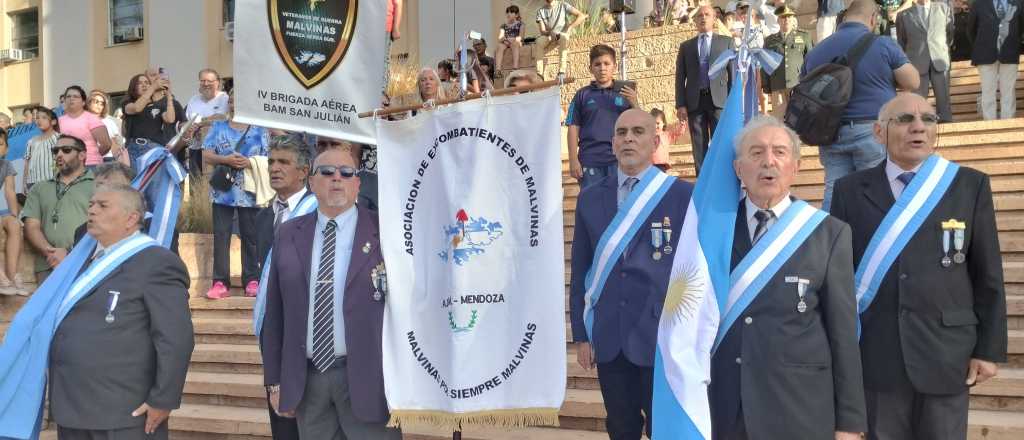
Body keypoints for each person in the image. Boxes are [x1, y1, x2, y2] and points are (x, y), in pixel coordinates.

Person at [830, 93, 1007, 439]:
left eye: (928, 119)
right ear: (879, 132)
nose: (919, 128)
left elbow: (988, 273)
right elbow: (838, 275)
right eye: (905, 120)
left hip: (947, 354)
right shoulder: (849, 190)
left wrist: (988, 349)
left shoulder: (969, 185)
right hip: (878, 356)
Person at [709, 115, 865, 440]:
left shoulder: (829, 233)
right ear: (739, 170)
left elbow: (843, 335)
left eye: (779, 152)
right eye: (756, 153)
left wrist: (850, 422)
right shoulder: (713, 231)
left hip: (798, 407)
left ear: (795, 167)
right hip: (724, 405)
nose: (769, 161)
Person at [570, 109, 693, 440]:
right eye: (621, 132)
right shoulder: (591, 197)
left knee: (664, 429)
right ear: (612, 143)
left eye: (637, 131)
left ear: (655, 141)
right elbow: (581, 265)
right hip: (610, 337)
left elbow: (693, 270)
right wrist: (582, 334)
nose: (628, 138)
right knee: (621, 428)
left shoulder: (682, 196)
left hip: (661, 335)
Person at [262, 145, 400, 439]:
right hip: (309, 381)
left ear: (357, 183)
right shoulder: (288, 234)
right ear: (311, 182)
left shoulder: (386, 231)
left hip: (369, 379)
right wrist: (274, 382)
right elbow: (274, 314)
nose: (337, 178)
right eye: (327, 172)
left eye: (346, 172)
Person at [49, 183, 193, 440]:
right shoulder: (81, 262)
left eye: (103, 206)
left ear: (131, 218)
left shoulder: (157, 263)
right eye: (92, 204)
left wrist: (163, 399)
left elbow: (175, 338)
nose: (92, 210)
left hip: (124, 412)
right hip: (72, 407)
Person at [801, 0, 919, 211]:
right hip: (872, 130)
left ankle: (832, 240)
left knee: (834, 192)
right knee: (876, 192)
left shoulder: (816, 51)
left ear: (844, 18)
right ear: (873, 18)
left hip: (829, 133)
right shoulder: (883, 44)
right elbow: (913, 82)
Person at [255, 136, 311, 440]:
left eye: (283, 162)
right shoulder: (264, 217)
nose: (274, 168)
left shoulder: (319, 212)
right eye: (271, 162)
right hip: (274, 330)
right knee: (282, 422)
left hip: (310, 330)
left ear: (303, 171)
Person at [202, 91, 270, 299]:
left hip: (249, 192)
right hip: (223, 191)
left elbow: (268, 157)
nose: (233, 103)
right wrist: (226, 160)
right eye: (231, 100)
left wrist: (249, 163)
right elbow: (205, 153)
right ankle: (220, 282)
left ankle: (252, 278)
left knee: (251, 237)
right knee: (221, 236)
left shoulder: (260, 129)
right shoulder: (218, 127)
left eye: (237, 99)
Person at [21, 134, 94, 284]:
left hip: (88, 263)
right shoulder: (39, 188)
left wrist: (69, 253)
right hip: (48, 264)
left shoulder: (99, 185)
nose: (59, 154)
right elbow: (31, 226)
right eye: (55, 151)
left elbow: (104, 226)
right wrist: (52, 253)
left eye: (66, 150)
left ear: (82, 155)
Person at [566, 44, 639, 190]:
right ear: (590, 68)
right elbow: (573, 127)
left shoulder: (626, 94)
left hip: (621, 161)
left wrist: (635, 103)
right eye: (597, 64)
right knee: (593, 209)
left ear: (615, 66)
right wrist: (573, 160)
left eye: (607, 63)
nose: (602, 68)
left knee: (621, 208)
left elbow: (641, 126)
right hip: (590, 160)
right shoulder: (582, 95)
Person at [676, 5, 734, 174]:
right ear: (694, 20)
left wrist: (733, 101)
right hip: (695, 102)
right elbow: (680, 77)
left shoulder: (726, 42)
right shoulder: (686, 47)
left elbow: (733, 74)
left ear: (714, 19)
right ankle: (702, 183)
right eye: (699, 15)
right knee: (699, 145)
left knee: (721, 143)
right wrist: (680, 104)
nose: (702, 18)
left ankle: (722, 177)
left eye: (707, 15)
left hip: (719, 101)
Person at [897, 0, 954, 122]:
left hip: (939, 61)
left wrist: (940, 49)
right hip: (916, 64)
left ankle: (947, 128)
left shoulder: (944, 9)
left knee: (944, 101)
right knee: (918, 102)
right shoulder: (903, 15)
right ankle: (919, 128)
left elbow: (949, 34)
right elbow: (901, 41)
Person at [968, 0, 1023, 120]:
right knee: (987, 93)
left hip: (1010, 52)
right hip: (985, 54)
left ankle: (1007, 126)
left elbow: (1021, 28)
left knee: (1008, 93)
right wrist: (983, 45)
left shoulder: (1018, 3)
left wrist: (1013, 43)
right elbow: (971, 30)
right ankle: (989, 127)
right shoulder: (978, 3)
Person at [122, 72, 186, 170]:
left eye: (147, 82)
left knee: (153, 182)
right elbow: (136, 108)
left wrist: (169, 97)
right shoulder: (128, 103)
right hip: (134, 148)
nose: (144, 85)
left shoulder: (158, 104)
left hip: (154, 148)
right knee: (136, 183)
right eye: (140, 83)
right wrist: (153, 87)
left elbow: (170, 119)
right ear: (133, 87)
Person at [763, 6, 812, 118]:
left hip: (797, 84)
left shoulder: (804, 36)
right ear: (778, 20)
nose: (786, 20)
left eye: (789, 17)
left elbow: (810, 60)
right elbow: (765, 64)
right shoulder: (769, 41)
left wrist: (809, 82)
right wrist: (766, 85)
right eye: (783, 17)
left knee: (797, 119)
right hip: (777, 84)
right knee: (779, 120)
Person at [184, 68, 230, 174]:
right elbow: (188, 122)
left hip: (218, 151)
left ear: (217, 82)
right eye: (202, 81)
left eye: (209, 81)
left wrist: (201, 123)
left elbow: (222, 118)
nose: (205, 84)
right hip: (196, 148)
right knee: (196, 186)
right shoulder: (193, 100)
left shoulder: (225, 98)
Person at [58, 85, 113, 169]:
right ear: (64, 101)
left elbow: (106, 144)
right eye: (68, 96)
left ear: (83, 102)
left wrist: (93, 155)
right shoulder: (59, 120)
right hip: (67, 166)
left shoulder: (91, 118)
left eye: (75, 96)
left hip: (90, 164)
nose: (71, 98)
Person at [535, 0, 588, 80]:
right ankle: (539, 75)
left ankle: (561, 71)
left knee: (563, 38)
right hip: (550, 35)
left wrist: (570, 27)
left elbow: (581, 16)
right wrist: (550, 33)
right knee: (539, 41)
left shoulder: (563, 5)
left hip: (562, 34)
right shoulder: (540, 11)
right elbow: (542, 31)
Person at [0, 130, 24, 295]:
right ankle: (1, 278)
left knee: (14, 225)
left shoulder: (7, 165)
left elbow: (9, 191)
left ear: (6, 149)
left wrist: (15, 215)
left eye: (0, 144)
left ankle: (12, 275)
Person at [87, 89, 127, 164]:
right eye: (96, 102)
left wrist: (117, 160)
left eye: (102, 103)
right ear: (88, 103)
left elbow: (114, 143)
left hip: (108, 159)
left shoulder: (109, 122)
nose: (99, 105)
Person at [24, 106, 59, 191]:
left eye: (44, 118)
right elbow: (27, 164)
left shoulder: (59, 138)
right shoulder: (31, 142)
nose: (39, 120)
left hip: (51, 181)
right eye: (37, 118)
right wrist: (24, 183)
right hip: (33, 183)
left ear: (53, 122)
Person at [496, 5, 525, 74]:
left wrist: (513, 40)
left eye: (511, 12)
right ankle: (498, 69)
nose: (509, 14)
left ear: (517, 15)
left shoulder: (521, 24)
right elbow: (500, 37)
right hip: (506, 42)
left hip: (516, 41)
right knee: (500, 46)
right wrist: (505, 40)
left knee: (515, 45)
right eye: (508, 12)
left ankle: (515, 67)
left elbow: (521, 36)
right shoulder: (503, 25)